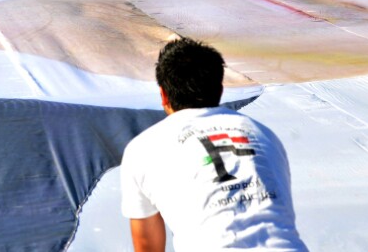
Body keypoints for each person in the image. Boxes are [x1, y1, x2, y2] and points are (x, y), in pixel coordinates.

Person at [120, 37, 308, 252]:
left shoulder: (144, 148)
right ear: (220, 89)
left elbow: (147, 246)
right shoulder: (262, 134)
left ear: (163, 94)